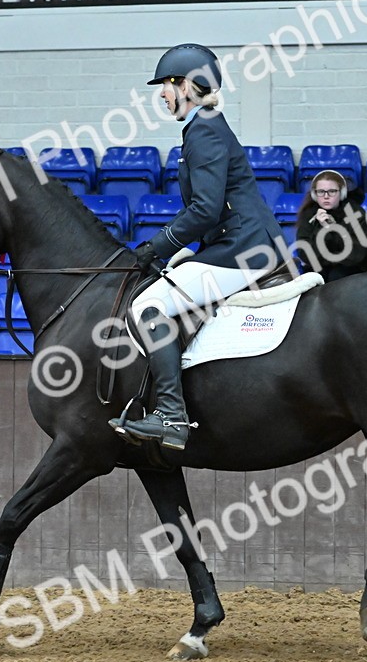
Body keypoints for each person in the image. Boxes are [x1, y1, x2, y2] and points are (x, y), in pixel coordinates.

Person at [108, 43, 289, 452]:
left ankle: (171, 414)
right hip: (236, 242)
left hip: (243, 247)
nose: (163, 93)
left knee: (147, 307)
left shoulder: (204, 127)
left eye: (170, 84)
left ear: (191, 86)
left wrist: (156, 245)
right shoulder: (205, 124)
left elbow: (205, 209)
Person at [293, 170, 367, 281]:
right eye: (321, 192)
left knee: (336, 277)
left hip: (353, 267)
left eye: (332, 191)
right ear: (314, 194)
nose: (326, 196)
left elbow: (356, 255)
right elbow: (306, 254)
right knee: (311, 278)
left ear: (342, 193)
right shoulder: (308, 215)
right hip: (321, 265)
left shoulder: (355, 213)